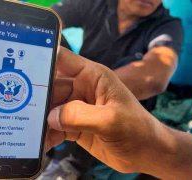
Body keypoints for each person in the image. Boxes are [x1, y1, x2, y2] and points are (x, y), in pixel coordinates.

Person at [0, 48, 192, 180]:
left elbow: (155, 75)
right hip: (71, 114)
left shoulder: (169, 26)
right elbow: (52, 12)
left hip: (95, 121)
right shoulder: (100, 5)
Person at [44, 0, 183, 178]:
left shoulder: (168, 25)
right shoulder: (95, 4)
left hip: (120, 111)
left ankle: (76, 164)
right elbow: (45, 21)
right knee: (49, 34)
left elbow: (154, 76)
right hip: (77, 91)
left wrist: (77, 92)